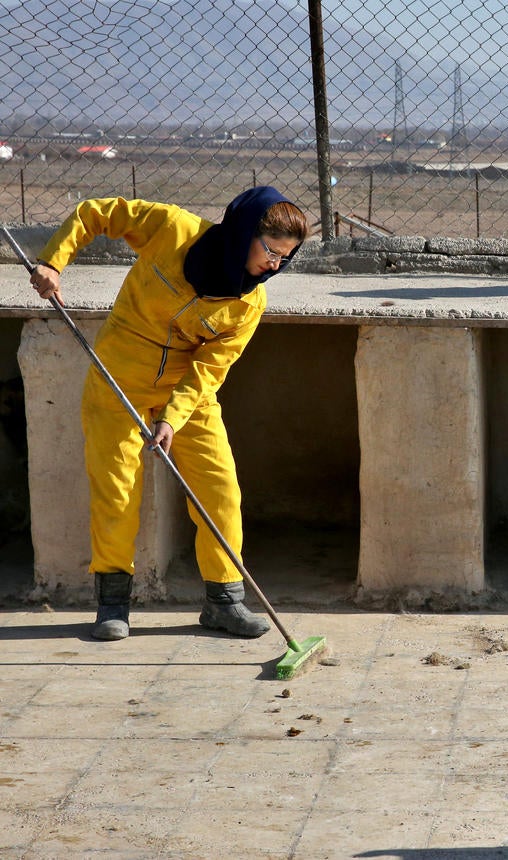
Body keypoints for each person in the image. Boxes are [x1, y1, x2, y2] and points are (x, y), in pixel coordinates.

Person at [28, 187, 308, 641]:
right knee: (116, 490)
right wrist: (53, 263)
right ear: (244, 234)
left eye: (286, 258)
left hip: (187, 393)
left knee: (219, 489)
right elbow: (97, 213)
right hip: (119, 377)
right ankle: (113, 605)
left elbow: (208, 369)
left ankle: (224, 601)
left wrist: (172, 418)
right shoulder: (173, 229)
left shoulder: (248, 304)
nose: (276, 265)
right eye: (272, 252)